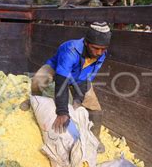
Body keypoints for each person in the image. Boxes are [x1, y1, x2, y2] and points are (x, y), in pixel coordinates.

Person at [30, 22, 111, 152]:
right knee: (37, 80)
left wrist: (78, 99)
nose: (99, 52)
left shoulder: (101, 54)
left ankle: (95, 138)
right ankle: (34, 101)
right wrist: (62, 111)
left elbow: (88, 78)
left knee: (96, 109)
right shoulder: (71, 49)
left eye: (103, 49)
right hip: (58, 70)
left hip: (80, 78)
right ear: (86, 43)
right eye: (96, 48)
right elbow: (62, 80)